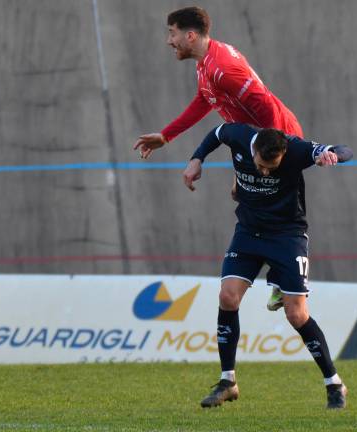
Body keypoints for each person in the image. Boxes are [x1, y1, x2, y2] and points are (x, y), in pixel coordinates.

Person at [134, 5, 304, 311]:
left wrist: (272, 154)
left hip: (277, 140)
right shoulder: (207, 64)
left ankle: (285, 278)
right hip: (260, 144)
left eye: (171, 34)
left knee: (268, 211)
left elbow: (266, 107)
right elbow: (205, 100)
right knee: (253, 205)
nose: (168, 41)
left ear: (189, 35)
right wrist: (167, 134)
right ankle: (282, 277)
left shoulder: (223, 68)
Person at [182, 122, 352, 410]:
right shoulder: (239, 135)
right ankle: (228, 381)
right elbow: (216, 133)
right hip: (248, 232)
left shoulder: (296, 150)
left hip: (288, 237)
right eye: (261, 165)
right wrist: (197, 158)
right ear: (254, 149)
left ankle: (334, 383)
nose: (265, 172)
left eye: (272, 167)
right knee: (227, 296)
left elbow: (345, 150)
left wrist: (332, 155)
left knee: (296, 314)